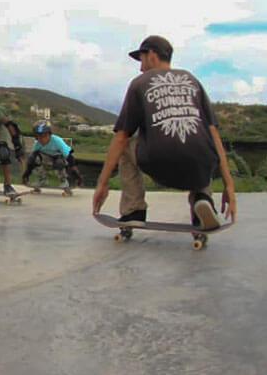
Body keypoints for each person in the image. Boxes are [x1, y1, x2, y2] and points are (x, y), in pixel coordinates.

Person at [91, 35, 237, 230]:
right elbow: (214, 134)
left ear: (151, 55)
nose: (141, 68)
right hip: (200, 167)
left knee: (127, 145)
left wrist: (102, 183)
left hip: (160, 162)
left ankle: (133, 210)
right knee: (199, 142)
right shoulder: (192, 80)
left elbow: (121, 137)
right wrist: (229, 185)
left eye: (141, 60)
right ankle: (202, 200)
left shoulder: (139, 83)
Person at [21, 119, 83, 191]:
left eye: (45, 136)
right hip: (47, 161)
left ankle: (63, 180)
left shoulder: (57, 141)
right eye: (39, 136)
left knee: (59, 162)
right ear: (36, 136)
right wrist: (26, 175)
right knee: (33, 158)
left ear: (50, 135)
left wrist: (77, 176)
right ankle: (42, 180)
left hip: (60, 160)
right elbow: (31, 162)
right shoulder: (37, 144)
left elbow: (70, 158)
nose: (42, 139)